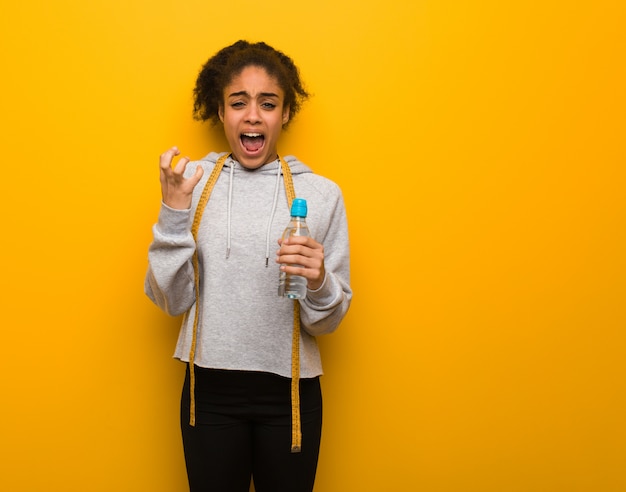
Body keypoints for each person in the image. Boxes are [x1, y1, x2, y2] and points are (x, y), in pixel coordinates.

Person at [144, 40, 352, 492]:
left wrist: (318, 281)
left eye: (268, 103)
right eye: (238, 103)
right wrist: (173, 213)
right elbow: (171, 300)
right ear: (221, 113)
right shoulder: (191, 183)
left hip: (292, 397)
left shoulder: (322, 195)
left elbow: (329, 321)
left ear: (286, 114)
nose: (253, 115)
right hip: (209, 392)